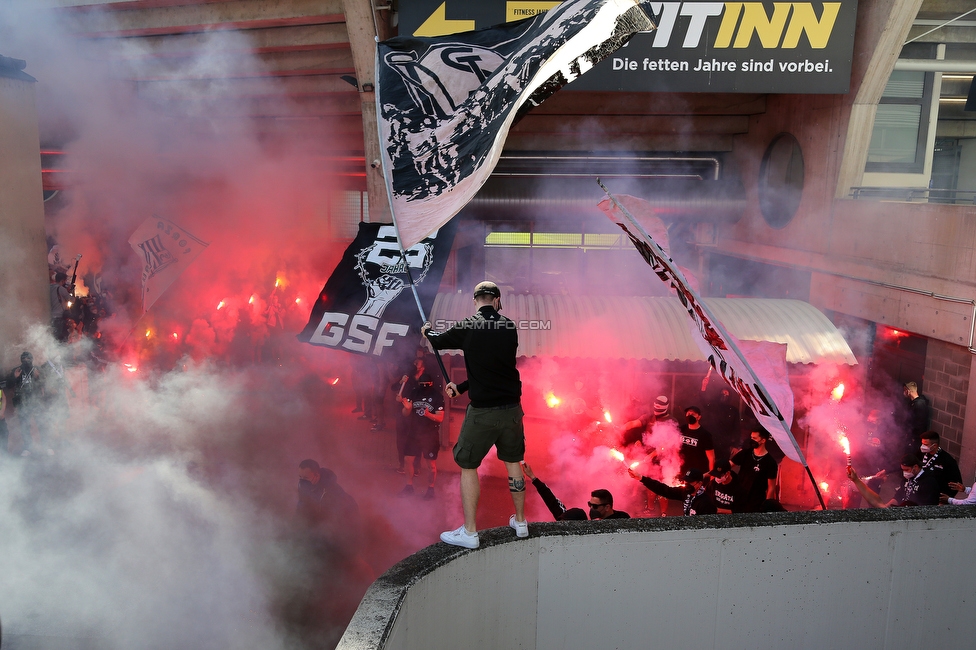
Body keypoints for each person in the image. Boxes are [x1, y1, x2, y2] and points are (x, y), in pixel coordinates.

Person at [423, 281, 528, 549]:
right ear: (497, 300)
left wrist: (427, 331)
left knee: (468, 464)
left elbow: (437, 340)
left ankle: (470, 532)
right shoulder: (508, 327)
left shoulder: (468, 325)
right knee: (514, 461)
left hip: (482, 412)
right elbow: (493, 369)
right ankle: (521, 522)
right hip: (512, 409)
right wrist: (460, 387)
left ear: (475, 300)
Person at [397, 372, 444, 499]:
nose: (423, 387)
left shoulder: (437, 396)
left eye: (426, 385)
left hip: (430, 435)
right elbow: (405, 413)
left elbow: (440, 418)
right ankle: (409, 486)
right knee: (408, 460)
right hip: (414, 433)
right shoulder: (414, 392)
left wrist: (428, 414)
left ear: (431, 384)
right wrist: (407, 408)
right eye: (421, 384)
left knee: (431, 465)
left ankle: (430, 489)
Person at [848, 454, 939, 507]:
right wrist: (887, 507)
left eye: (906, 470)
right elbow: (898, 496)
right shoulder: (907, 479)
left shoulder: (929, 482)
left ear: (915, 467)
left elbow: (927, 506)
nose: (904, 473)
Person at [628, 467, 716, 516]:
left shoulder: (706, 502)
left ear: (699, 483)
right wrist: (641, 478)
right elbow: (664, 490)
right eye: (686, 481)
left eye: (690, 482)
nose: (687, 484)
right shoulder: (685, 492)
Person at [520, 462, 590, 521]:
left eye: (564, 524)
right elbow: (551, 500)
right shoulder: (563, 517)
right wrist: (533, 477)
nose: (559, 525)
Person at [7, 351, 46, 456]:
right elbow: (8, 385)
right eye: (24, 359)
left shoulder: (37, 369)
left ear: (32, 359)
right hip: (22, 402)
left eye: (28, 359)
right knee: (24, 425)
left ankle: (45, 446)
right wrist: (14, 377)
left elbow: (44, 384)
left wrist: (38, 377)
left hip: (35, 400)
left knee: (41, 423)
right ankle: (27, 447)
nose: (26, 361)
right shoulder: (17, 370)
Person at [730, 429, 778, 512]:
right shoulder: (745, 453)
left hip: (756, 501)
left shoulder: (770, 462)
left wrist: (766, 506)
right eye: (751, 437)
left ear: (763, 440)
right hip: (739, 497)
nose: (752, 440)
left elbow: (771, 487)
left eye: (755, 438)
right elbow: (727, 465)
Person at [918, 431, 961, 498]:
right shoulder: (920, 454)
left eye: (925, 444)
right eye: (922, 443)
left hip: (936, 498)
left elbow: (956, 484)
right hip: (920, 494)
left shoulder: (948, 460)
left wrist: (946, 498)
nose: (922, 446)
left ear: (934, 445)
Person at [679, 406, 715, 474]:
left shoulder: (705, 435)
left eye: (693, 414)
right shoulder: (681, 429)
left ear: (699, 417)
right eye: (688, 414)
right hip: (682, 471)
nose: (690, 416)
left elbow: (711, 458)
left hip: (698, 472)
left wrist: (712, 476)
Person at [903, 381, 929, 455]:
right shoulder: (912, 403)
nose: (904, 392)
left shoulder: (920, 404)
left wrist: (913, 437)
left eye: (905, 390)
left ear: (909, 390)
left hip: (915, 439)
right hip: (910, 437)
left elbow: (919, 424)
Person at [50, 272, 71, 341]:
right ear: (62, 280)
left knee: (54, 338)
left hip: (51, 316)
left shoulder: (49, 287)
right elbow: (71, 300)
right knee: (61, 339)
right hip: (59, 317)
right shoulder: (62, 289)